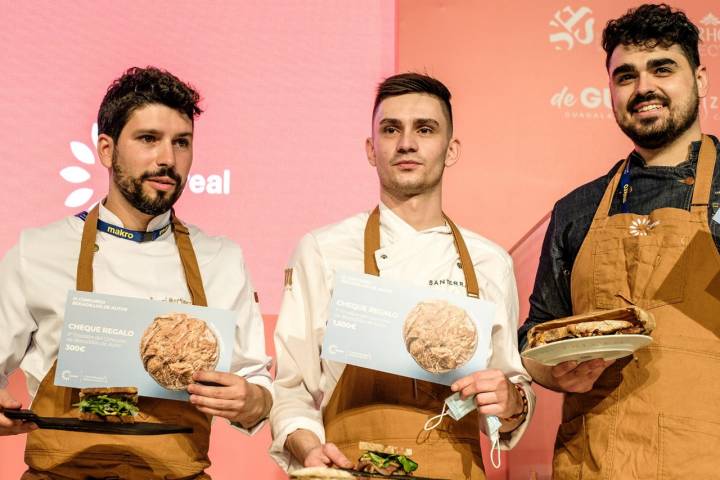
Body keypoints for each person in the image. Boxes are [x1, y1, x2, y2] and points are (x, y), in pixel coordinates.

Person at [0, 67, 273, 479]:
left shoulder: (221, 258)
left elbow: (255, 385)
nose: (168, 158)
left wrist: (252, 399)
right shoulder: (37, 251)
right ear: (106, 150)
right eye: (148, 139)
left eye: (181, 142)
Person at [270, 73, 534, 479]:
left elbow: (507, 396)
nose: (406, 142)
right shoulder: (323, 250)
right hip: (349, 469)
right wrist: (309, 449)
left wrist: (510, 401)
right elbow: (291, 389)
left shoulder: (489, 262)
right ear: (371, 149)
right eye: (391, 129)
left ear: (451, 149)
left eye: (425, 129)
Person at [519, 4, 720, 478]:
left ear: (702, 80)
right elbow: (539, 332)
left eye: (662, 69)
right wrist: (554, 371)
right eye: (625, 76)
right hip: (592, 461)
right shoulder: (577, 210)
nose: (643, 87)